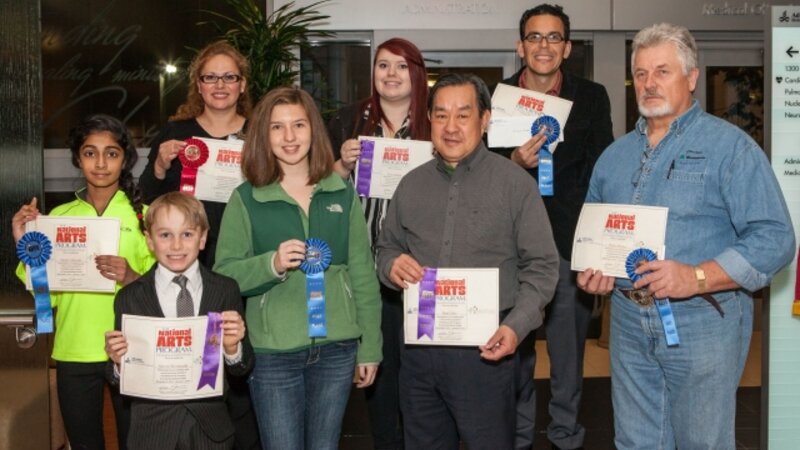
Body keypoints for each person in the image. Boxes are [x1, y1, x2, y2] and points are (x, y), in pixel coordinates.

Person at [577, 23, 795, 450]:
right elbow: (594, 236)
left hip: (702, 321)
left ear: (691, 77)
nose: (649, 83)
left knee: (702, 442)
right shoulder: (614, 157)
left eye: (662, 71)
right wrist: (593, 272)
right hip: (627, 322)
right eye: (640, 73)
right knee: (635, 442)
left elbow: (776, 238)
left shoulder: (731, 148)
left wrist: (696, 276)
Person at [376, 73, 559, 449]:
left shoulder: (515, 185)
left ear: (486, 119)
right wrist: (391, 265)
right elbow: (386, 247)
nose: (452, 127)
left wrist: (516, 326)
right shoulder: (410, 185)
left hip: (487, 353)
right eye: (441, 116)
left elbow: (542, 267)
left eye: (463, 114)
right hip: (419, 350)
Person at [213, 87, 383, 450]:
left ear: (314, 130)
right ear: (263, 135)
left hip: (338, 348)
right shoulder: (246, 199)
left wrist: (370, 346)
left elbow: (363, 274)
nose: (289, 137)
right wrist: (270, 264)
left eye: (299, 125)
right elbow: (224, 275)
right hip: (273, 353)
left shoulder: (341, 192)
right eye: (277, 127)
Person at [490, 5, 614, 449]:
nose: (544, 45)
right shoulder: (496, 96)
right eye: (535, 37)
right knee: (514, 353)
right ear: (520, 45)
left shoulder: (593, 96)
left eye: (553, 37)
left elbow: (603, 172)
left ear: (567, 47)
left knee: (567, 356)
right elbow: (478, 172)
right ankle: (517, 438)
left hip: (569, 246)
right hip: (510, 248)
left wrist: (597, 248)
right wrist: (513, 163)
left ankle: (565, 436)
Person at [136, 40, 259, 449]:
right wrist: (158, 165)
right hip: (187, 266)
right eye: (210, 77)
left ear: (242, 84)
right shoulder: (176, 133)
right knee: (188, 365)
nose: (219, 84)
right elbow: (149, 199)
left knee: (236, 364)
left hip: (243, 265)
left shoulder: (259, 132)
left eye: (229, 76)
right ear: (198, 85)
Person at [12, 114, 156, 450]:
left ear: (125, 159)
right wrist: (25, 242)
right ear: (78, 158)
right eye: (90, 153)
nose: (101, 163)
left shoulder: (147, 216)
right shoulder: (56, 220)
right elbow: (46, 297)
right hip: (74, 351)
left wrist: (132, 277)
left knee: (138, 443)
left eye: (112, 153)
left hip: (132, 349)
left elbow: (168, 290)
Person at [326, 37, 430, 450]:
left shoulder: (434, 121)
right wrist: (342, 164)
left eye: (401, 66)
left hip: (420, 270)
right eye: (383, 65)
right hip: (367, 270)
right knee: (379, 376)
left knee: (422, 379)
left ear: (416, 73)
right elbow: (321, 186)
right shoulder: (350, 120)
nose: (390, 74)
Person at [104, 192, 255, 450]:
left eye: (187, 234)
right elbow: (116, 378)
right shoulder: (130, 297)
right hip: (151, 432)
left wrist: (232, 349)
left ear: (203, 238)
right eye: (165, 235)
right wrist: (118, 363)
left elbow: (241, 368)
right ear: (149, 241)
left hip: (210, 430)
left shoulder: (225, 290)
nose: (176, 246)